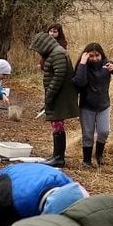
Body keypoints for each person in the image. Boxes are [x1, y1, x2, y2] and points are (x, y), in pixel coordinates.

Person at [73, 43, 113, 168]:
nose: (94, 58)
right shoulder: (83, 67)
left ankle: (99, 155)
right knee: (87, 134)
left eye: (97, 55)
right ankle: (86, 160)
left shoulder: (107, 64)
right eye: (91, 56)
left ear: (101, 54)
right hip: (86, 106)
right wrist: (82, 62)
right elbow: (79, 82)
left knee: (104, 132)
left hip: (103, 105)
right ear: (86, 56)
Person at [31, 30, 79, 167]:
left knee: (58, 125)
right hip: (58, 95)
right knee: (56, 124)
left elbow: (59, 75)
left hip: (60, 96)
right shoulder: (55, 52)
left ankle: (59, 158)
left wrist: (50, 95)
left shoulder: (57, 53)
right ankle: (56, 155)